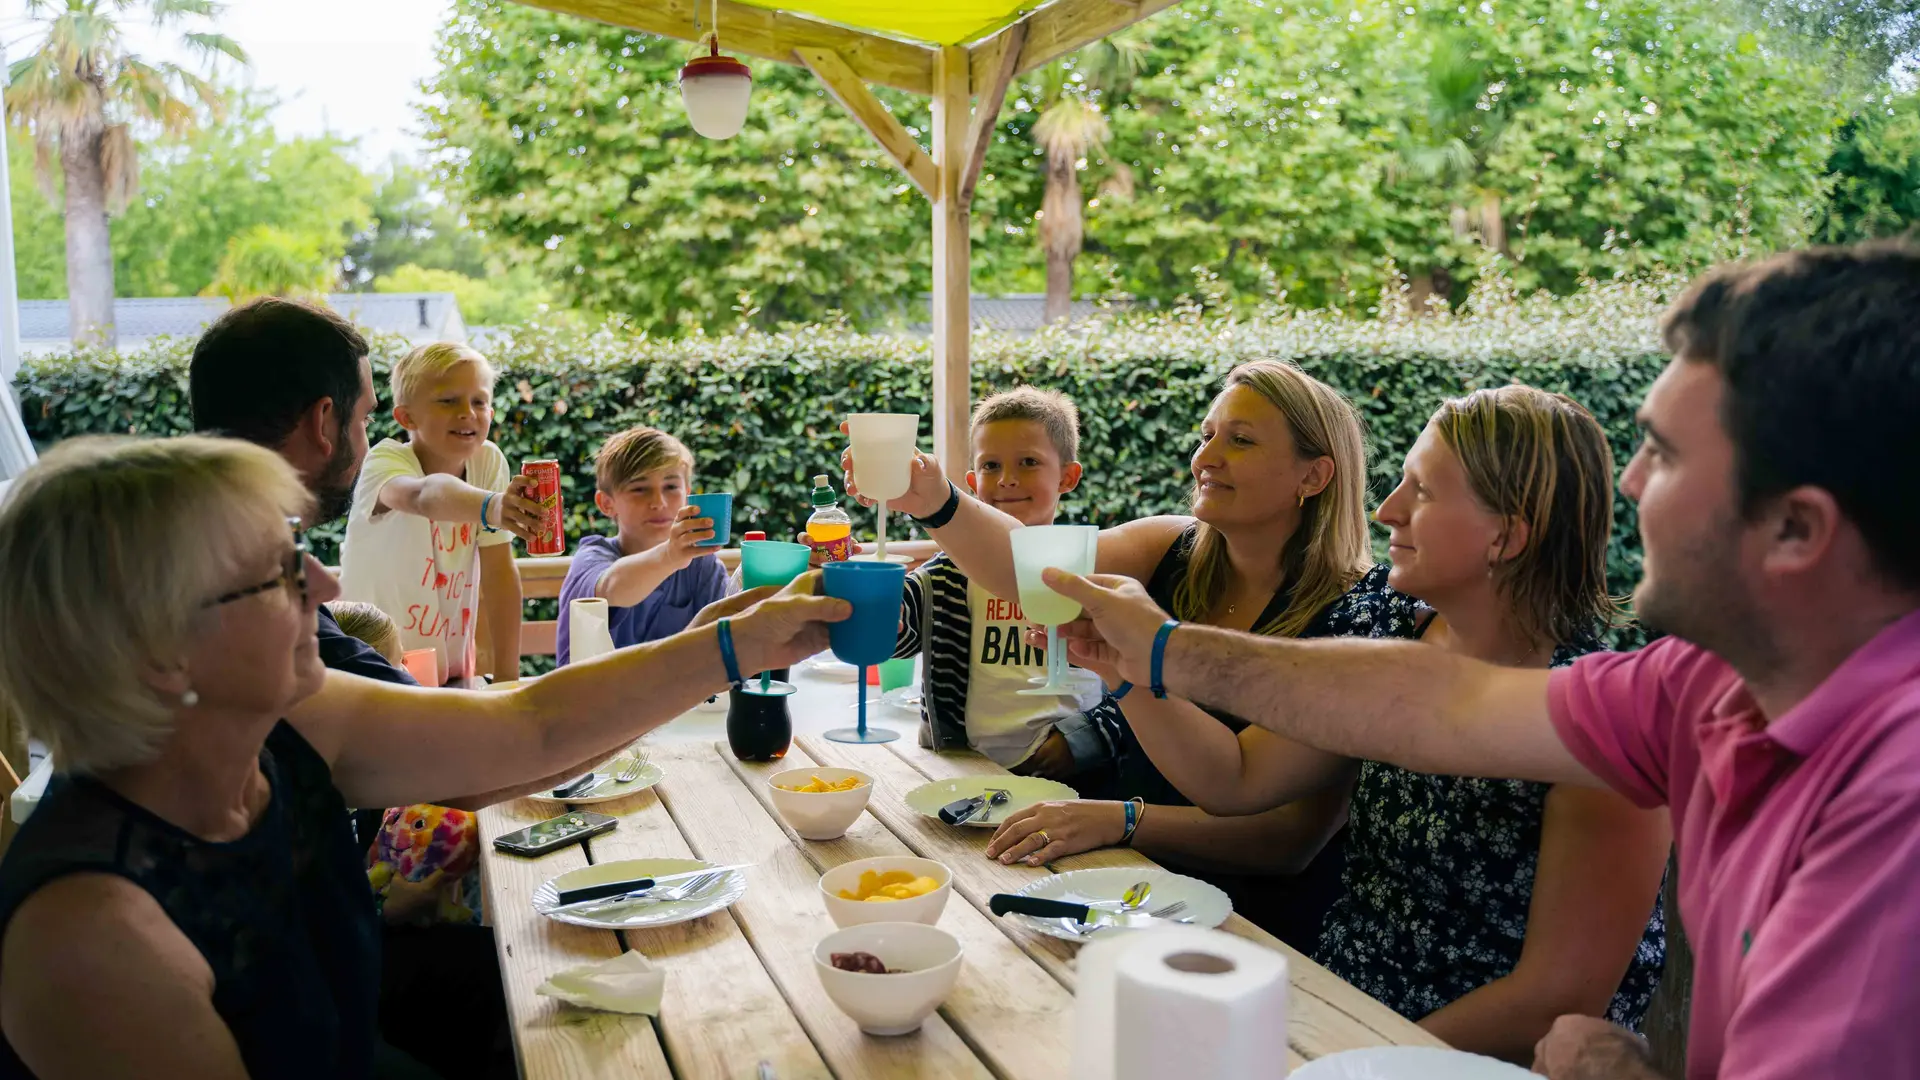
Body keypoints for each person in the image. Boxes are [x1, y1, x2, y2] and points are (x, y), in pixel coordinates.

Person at [1033, 242, 1920, 1080]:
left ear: (1797, 530)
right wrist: (1156, 655)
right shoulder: (1692, 688)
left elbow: (1558, 993)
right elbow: (1435, 703)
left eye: (1668, 454)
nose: (1636, 483)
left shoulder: (1889, 823)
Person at [0, 434, 846, 1080]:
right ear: (160, 652)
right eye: (278, 572)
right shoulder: (89, 939)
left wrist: (733, 642)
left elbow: (532, 732)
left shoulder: (286, 728)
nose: (327, 588)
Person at [996, 385, 1670, 1062]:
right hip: (1333, 1000)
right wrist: (1125, 671)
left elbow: (1553, 997)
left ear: (1509, 534)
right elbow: (1237, 779)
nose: (1387, 509)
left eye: (1424, 492)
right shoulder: (1390, 626)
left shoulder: (1604, 719)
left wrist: (1350, 1061)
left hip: (1459, 1058)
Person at [849, 360, 1388, 947]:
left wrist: (1120, 817)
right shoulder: (1171, 547)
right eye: (1207, 435)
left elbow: (1285, 840)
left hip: (1256, 927)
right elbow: (1031, 569)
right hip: (1126, 890)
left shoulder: (1355, 615)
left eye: (1241, 440)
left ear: (1314, 476)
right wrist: (935, 500)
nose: (1206, 458)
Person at [890, 387, 1118, 781]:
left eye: (1028, 462)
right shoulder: (947, 572)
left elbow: (1137, 683)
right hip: (964, 774)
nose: (1007, 480)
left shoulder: (1096, 569)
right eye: (991, 466)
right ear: (971, 481)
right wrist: (850, 577)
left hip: (1079, 777)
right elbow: (897, 636)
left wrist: (1079, 742)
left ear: (1068, 476)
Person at [188, 298, 415, 687]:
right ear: (324, 422)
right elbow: (415, 723)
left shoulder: (194, 540)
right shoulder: (248, 583)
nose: (325, 586)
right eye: (365, 418)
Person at [338, 342, 539, 683]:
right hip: (369, 665)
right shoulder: (384, 461)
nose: (468, 412)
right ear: (406, 417)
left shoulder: (488, 462)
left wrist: (508, 680)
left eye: (480, 401)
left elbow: (499, 573)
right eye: (448, 401)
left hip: (448, 670)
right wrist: (491, 506)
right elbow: (423, 495)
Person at [556, 426, 732, 665]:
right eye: (639, 489)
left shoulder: (703, 567)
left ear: (687, 494)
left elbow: (724, 643)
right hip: (594, 699)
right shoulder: (591, 558)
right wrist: (670, 556)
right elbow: (612, 587)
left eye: (671, 487)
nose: (658, 502)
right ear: (606, 503)